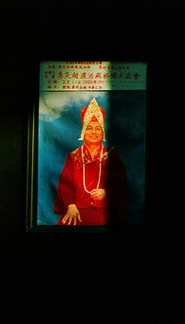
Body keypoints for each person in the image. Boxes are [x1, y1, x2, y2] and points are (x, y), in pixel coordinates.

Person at [54, 96, 129, 226]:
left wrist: (106, 192)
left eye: (97, 128)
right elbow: (64, 186)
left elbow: (121, 184)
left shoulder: (111, 156)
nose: (93, 132)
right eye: (89, 128)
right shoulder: (73, 156)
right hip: (76, 211)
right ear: (83, 131)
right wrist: (71, 205)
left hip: (104, 211)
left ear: (103, 132)